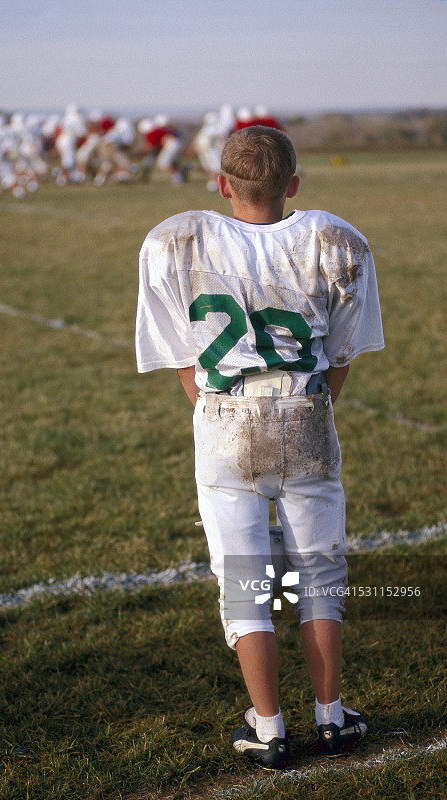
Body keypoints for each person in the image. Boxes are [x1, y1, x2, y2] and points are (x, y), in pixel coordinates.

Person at [135, 126, 384, 769]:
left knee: (245, 582)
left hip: (225, 416)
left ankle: (269, 728)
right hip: (307, 409)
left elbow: (182, 358)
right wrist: (309, 405)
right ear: (293, 184)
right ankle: (332, 717)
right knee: (320, 572)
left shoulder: (177, 239)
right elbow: (342, 355)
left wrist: (217, 409)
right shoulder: (333, 238)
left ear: (222, 185)